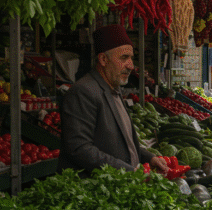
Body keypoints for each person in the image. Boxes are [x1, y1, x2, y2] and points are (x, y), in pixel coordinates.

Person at [59, 24, 168, 176]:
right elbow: (79, 149)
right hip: (95, 192)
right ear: (103, 59)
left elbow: (123, 143)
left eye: (131, 58)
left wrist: (149, 158)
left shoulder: (113, 90)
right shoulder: (84, 91)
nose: (131, 65)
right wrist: (129, 172)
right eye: (124, 58)